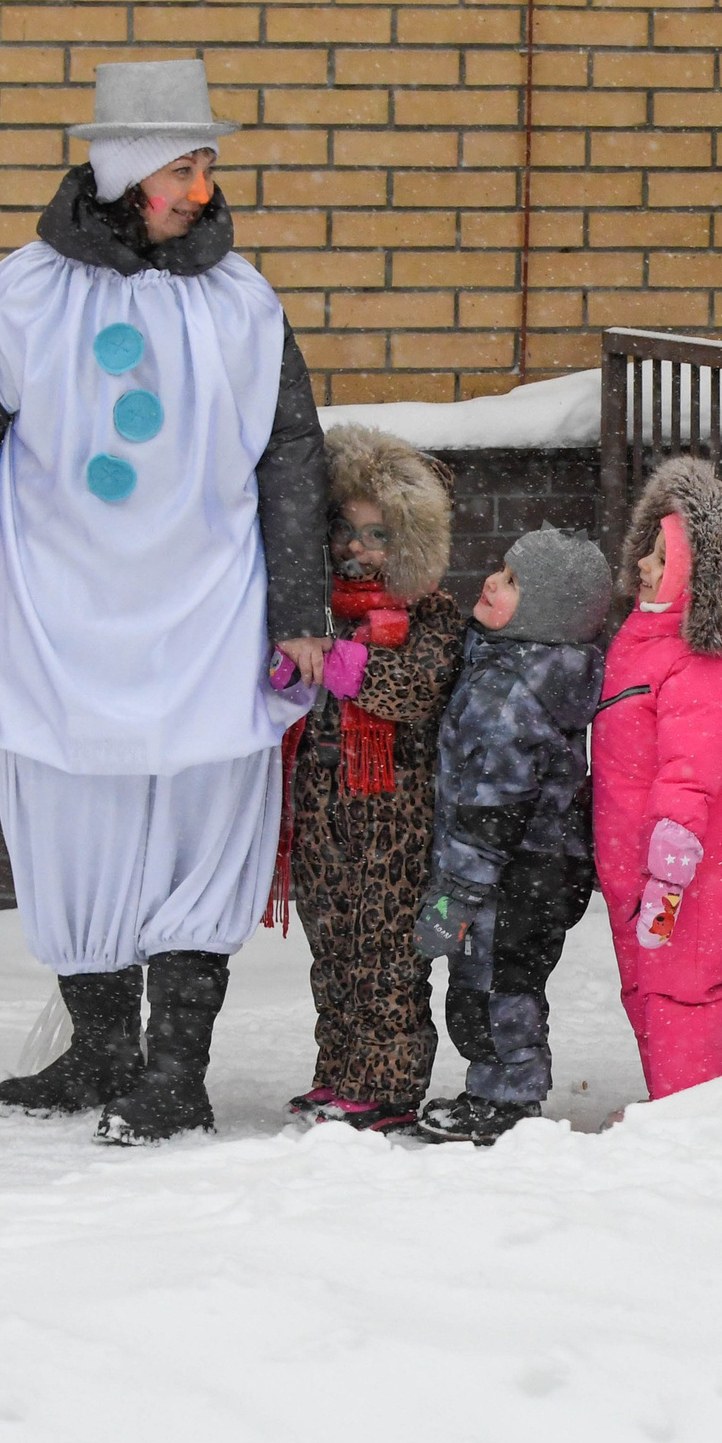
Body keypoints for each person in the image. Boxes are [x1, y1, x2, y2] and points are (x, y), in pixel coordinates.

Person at [0, 58, 329, 1143]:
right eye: (181, 169)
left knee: (197, 817)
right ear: (124, 174)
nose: (201, 190)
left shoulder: (242, 302)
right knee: (73, 819)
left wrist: (297, 604)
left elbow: (292, 457)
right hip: (61, 624)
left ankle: (177, 1072)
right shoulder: (22, 294)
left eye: (204, 168)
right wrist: (39, 545)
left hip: (206, 615)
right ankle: (101, 1050)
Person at [592, 457, 722, 1099]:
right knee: (646, 986)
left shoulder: (703, 666)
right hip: (637, 861)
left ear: (702, 582)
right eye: (648, 551)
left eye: (661, 557)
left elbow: (691, 769)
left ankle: (687, 1117)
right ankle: (666, 1103)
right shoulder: (643, 639)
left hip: (684, 871)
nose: (644, 567)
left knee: (684, 993)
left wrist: (672, 857)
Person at [283, 425, 466, 1134]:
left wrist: (337, 663)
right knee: (332, 945)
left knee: (385, 952)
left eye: (377, 535)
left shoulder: (430, 616)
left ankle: (388, 1084)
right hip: (324, 803)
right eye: (346, 530)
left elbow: (415, 690)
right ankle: (339, 1070)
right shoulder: (318, 610)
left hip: (395, 811)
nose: (357, 548)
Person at [411, 529, 612, 1145]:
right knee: (514, 979)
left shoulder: (509, 691)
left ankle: (505, 1100)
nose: (493, 581)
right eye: (500, 568)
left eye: (513, 581)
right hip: (545, 867)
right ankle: (500, 1087)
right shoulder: (546, 667)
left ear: (547, 611)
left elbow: (487, 809)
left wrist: (454, 898)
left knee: (490, 986)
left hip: (505, 873)